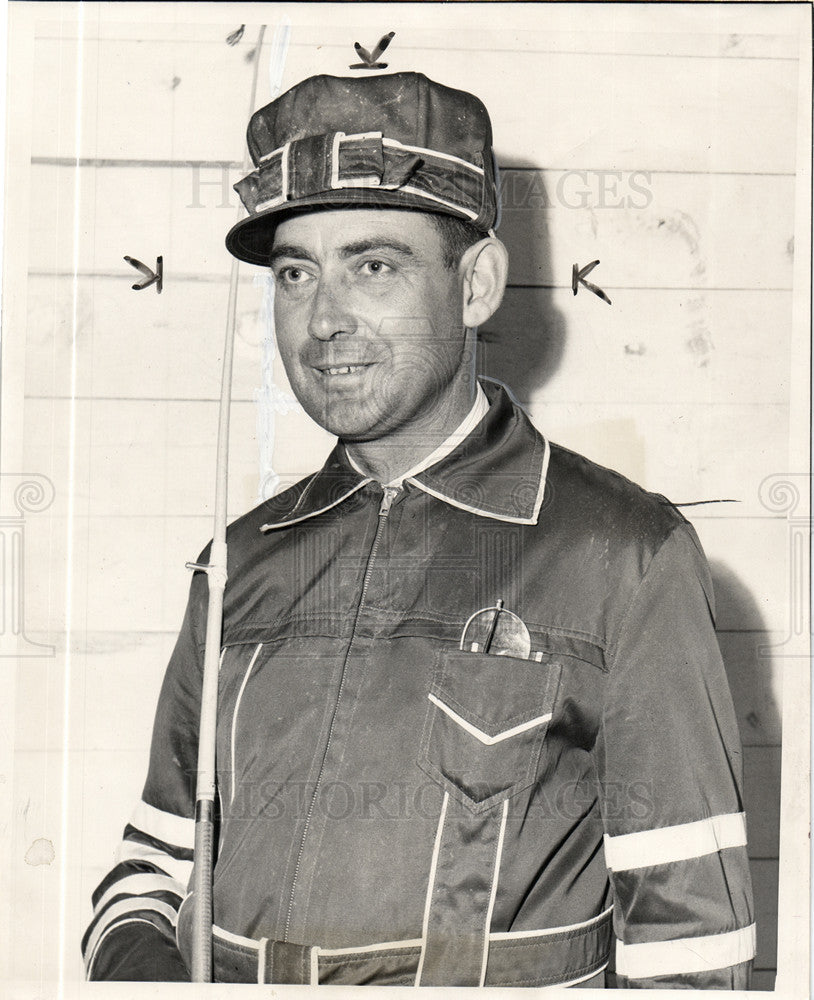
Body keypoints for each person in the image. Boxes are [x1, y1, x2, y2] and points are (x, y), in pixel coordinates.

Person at [82, 71, 755, 987]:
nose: (323, 318)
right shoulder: (236, 563)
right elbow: (151, 871)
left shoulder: (625, 556)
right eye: (294, 272)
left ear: (475, 284)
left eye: (375, 265)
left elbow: (691, 945)